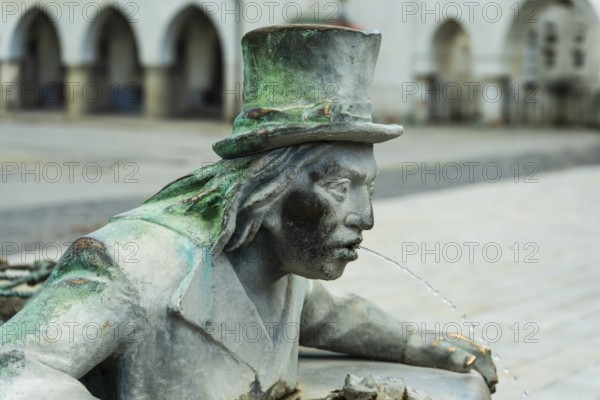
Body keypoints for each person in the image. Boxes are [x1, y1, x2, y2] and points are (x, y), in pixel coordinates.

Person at [0, 25, 497, 399]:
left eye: (369, 189)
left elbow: (335, 318)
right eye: (341, 188)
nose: (365, 218)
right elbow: (16, 365)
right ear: (269, 189)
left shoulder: (281, 269)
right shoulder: (133, 264)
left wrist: (415, 342)